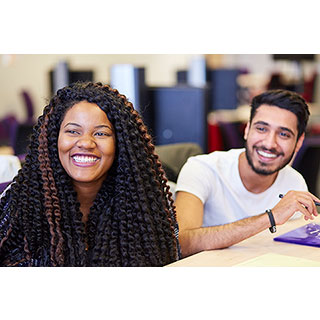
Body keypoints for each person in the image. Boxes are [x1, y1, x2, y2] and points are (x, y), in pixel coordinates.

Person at [0, 82, 180, 266]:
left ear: (121, 144)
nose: (86, 143)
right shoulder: (19, 206)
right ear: (54, 139)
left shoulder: (147, 205)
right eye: (72, 131)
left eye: (101, 133)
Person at [175, 89, 320, 257]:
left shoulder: (294, 182)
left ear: (298, 142)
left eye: (283, 134)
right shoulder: (202, 169)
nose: (269, 143)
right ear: (247, 129)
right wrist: (271, 217)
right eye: (261, 129)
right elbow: (181, 243)